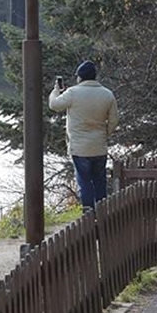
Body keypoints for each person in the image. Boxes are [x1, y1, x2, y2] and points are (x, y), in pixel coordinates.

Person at [49, 60, 119, 212]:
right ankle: (102, 213)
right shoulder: (107, 94)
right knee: (100, 181)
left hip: (79, 148)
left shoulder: (73, 93)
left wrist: (56, 90)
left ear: (79, 77)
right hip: (99, 146)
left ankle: (89, 214)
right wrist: (105, 133)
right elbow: (114, 120)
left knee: (85, 182)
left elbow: (54, 105)